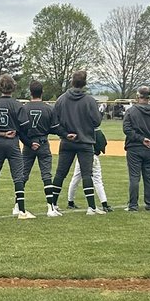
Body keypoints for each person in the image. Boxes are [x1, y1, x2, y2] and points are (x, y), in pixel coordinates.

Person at [50, 70, 103, 215]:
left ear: (71, 81)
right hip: (85, 141)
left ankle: (52, 205)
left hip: (67, 141)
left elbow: (54, 123)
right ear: (85, 83)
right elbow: (97, 121)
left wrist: (66, 134)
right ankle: (91, 207)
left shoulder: (61, 99)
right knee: (87, 174)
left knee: (60, 173)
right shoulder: (90, 100)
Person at [0, 74, 32, 219]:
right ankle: (22, 210)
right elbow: (25, 126)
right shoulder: (17, 104)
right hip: (13, 141)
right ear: (13, 87)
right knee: (18, 176)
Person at [19, 79, 61, 216]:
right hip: (43, 142)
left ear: (30, 93)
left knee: (23, 174)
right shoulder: (48, 108)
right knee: (46, 175)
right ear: (42, 92)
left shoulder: (24, 108)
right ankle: (50, 207)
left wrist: (29, 142)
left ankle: (17, 205)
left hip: (28, 143)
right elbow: (55, 128)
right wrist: (66, 133)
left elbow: (20, 129)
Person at [122, 86, 150, 210]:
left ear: (138, 96)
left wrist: (141, 139)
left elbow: (127, 129)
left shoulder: (131, 111)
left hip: (135, 148)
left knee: (134, 177)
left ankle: (133, 205)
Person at [65, 127, 112, 213]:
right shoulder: (97, 131)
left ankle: (70, 202)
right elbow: (102, 144)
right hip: (93, 156)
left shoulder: (81, 129)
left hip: (81, 156)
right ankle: (104, 204)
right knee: (97, 180)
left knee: (75, 179)